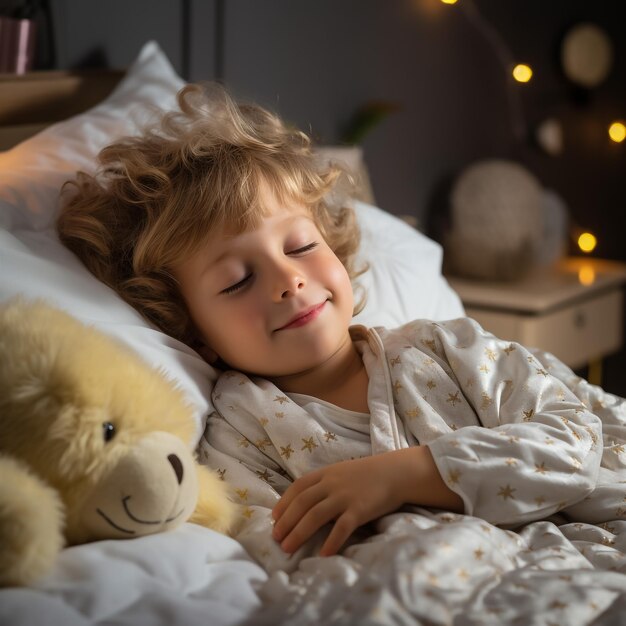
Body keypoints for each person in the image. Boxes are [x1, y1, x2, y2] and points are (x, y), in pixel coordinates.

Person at [57, 83, 623, 573]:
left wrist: (407, 475)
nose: (288, 281)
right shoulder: (243, 430)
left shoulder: (445, 348)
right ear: (193, 330)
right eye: (236, 281)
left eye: (301, 246)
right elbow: (274, 547)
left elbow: (573, 444)